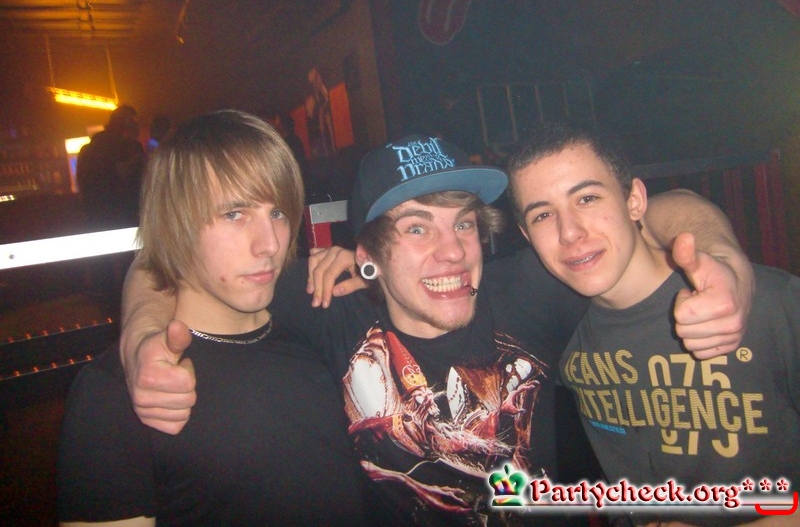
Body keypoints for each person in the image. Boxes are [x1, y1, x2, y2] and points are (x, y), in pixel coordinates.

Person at [120, 134, 753, 526]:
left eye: (463, 224)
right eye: (417, 228)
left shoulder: (527, 291)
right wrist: (141, 340)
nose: (452, 252)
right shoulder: (330, 307)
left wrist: (723, 259)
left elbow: (659, 211)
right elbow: (168, 265)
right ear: (368, 252)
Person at [57, 110, 370, 526]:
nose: (269, 244)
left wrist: (376, 273)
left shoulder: (317, 313)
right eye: (234, 214)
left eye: (277, 213)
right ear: (176, 223)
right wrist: (138, 334)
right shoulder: (124, 390)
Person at [505, 124, 799, 526]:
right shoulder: (559, 334)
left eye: (587, 198)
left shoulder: (757, 302)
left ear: (634, 201)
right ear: (526, 235)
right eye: (543, 215)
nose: (569, 232)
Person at [76, 104, 146, 318]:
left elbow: (83, 184)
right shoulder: (124, 148)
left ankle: (107, 307)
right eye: (133, 123)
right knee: (128, 263)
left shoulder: (89, 149)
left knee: (104, 265)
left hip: (97, 216)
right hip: (122, 216)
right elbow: (123, 176)